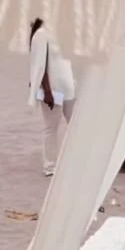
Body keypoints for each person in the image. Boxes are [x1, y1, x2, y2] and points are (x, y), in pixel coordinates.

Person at [28, 18, 76, 176]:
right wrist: (47, 91)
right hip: (53, 90)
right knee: (51, 128)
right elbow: (39, 65)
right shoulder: (41, 34)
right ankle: (50, 166)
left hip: (69, 87)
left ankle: (74, 161)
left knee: (76, 125)